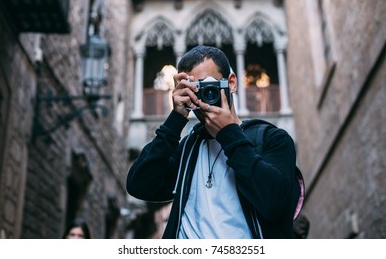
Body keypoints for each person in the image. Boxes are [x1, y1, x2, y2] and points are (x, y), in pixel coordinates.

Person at [127, 45, 302, 238]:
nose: (204, 96)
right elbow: (139, 184)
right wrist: (176, 119)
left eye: (209, 86)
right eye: (195, 89)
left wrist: (228, 134)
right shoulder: (188, 151)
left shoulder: (272, 140)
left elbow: (275, 204)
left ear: (231, 83)